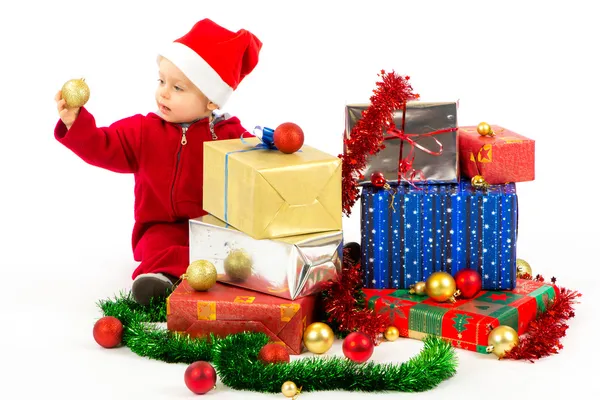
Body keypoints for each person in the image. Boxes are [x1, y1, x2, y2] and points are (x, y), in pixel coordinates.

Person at [54, 19, 262, 305]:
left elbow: (259, 170)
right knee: (158, 246)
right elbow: (104, 145)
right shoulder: (142, 131)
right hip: (161, 225)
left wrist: (271, 152)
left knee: (237, 251)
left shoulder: (230, 136)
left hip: (214, 227)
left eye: (178, 88)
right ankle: (160, 280)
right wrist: (76, 122)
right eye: (161, 81)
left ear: (212, 101)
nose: (163, 92)